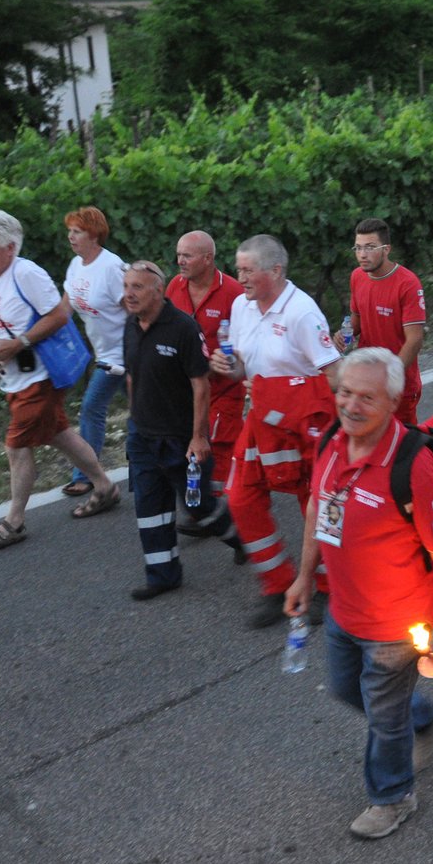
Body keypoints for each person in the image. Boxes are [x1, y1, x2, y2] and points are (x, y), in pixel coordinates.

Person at [283, 348, 433, 840]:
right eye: (345, 391)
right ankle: (424, 719)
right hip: (345, 609)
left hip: (396, 623)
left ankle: (392, 797)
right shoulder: (330, 442)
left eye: (366, 396)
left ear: (392, 401)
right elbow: (317, 514)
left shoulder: (415, 465)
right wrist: (305, 576)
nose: (351, 405)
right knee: (347, 690)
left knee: (384, 718)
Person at [209, 234, 342, 628]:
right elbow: (243, 369)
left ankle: (327, 587)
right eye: (238, 269)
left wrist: (275, 392)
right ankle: (277, 584)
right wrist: (226, 367)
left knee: (314, 504)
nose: (240, 278)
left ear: (276, 271)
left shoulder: (302, 312)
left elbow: (335, 379)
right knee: (240, 499)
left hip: (307, 426)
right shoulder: (241, 305)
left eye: (248, 270)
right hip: (262, 422)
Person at [0, 210, 120, 549]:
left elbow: (59, 315)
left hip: (42, 375)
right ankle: (104, 486)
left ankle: (15, 521)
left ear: (10, 247)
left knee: (16, 445)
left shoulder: (27, 274)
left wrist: (19, 343)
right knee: (58, 434)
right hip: (14, 379)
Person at [119, 261, 244, 600]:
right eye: (127, 286)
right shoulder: (130, 325)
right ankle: (162, 575)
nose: (129, 294)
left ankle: (240, 538)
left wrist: (198, 436)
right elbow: (132, 375)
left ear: (158, 291)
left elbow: (200, 385)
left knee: (198, 505)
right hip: (143, 437)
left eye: (137, 287)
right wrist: (135, 419)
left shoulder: (183, 328)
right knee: (149, 506)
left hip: (180, 440)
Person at [165, 230, 245, 513]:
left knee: (218, 449)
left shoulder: (235, 294)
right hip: (185, 392)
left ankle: (231, 521)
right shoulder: (174, 286)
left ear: (208, 259)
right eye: (179, 255)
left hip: (223, 392)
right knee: (189, 448)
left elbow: (245, 345)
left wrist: (227, 362)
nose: (180, 261)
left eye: (187, 255)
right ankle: (206, 509)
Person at [60, 206, 128, 499]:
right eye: (70, 231)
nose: (70, 237)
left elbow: (136, 308)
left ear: (94, 234)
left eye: (77, 231)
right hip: (105, 354)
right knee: (101, 409)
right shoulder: (76, 266)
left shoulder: (112, 267)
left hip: (126, 355)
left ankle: (86, 475)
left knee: (91, 407)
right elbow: (64, 309)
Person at [347, 218, 426, 426]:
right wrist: (341, 335)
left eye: (370, 247)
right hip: (365, 381)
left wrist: (390, 378)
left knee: (400, 449)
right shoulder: (357, 277)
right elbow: (356, 319)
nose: (362, 255)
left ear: (386, 249)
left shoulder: (408, 283)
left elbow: (415, 340)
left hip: (398, 386)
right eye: (358, 248)